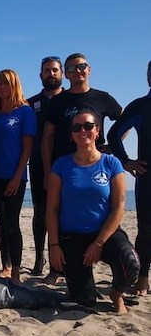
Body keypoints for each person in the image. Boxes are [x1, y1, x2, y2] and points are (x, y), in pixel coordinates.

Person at [46, 109, 140, 314]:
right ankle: (83, 287)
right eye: (77, 127)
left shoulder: (111, 163)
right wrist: (53, 245)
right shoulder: (61, 165)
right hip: (72, 237)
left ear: (97, 131)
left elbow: (118, 207)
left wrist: (98, 243)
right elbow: (52, 209)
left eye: (88, 126)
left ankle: (116, 294)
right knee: (85, 301)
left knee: (131, 262)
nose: (83, 131)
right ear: (71, 134)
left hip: (104, 234)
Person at [41, 52, 122, 283]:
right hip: (63, 168)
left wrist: (111, 145)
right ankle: (56, 270)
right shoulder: (57, 101)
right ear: (66, 74)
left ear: (89, 69)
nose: (77, 71)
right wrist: (47, 169)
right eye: (72, 68)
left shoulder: (102, 98)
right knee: (57, 213)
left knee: (99, 211)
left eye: (81, 67)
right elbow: (47, 137)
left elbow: (123, 121)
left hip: (95, 166)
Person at [0, 70, 36, 283]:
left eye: (6, 83)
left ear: (14, 85)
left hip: (15, 176)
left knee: (12, 223)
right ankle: (5, 265)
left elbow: (27, 148)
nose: (2, 87)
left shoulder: (25, 112)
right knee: (0, 222)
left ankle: (15, 270)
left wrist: (17, 176)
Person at [108, 60, 151, 296]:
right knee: (146, 230)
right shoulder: (142, 106)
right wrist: (125, 161)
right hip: (147, 176)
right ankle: (143, 277)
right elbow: (114, 134)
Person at [27, 56, 64, 276]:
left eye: (55, 70)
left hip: (67, 164)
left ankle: (57, 261)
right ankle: (39, 258)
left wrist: (103, 145)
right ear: (40, 75)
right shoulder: (30, 104)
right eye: (47, 71)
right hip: (39, 164)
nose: (51, 74)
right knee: (40, 212)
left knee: (62, 213)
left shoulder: (70, 99)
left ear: (61, 74)